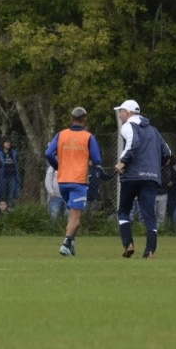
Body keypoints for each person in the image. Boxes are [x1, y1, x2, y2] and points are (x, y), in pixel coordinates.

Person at [113, 99, 171, 259]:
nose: (119, 116)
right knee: (149, 215)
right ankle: (150, 251)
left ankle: (128, 244)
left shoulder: (127, 126)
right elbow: (168, 153)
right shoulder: (154, 130)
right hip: (151, 177)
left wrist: (121, 162)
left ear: (127, 112)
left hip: (131, 176)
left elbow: (133, 143)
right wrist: (155, 167)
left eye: (121, 112)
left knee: (124, 210)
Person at [45, 106, 102, 257]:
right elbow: (97, 160)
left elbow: (48, 153)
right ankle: (65, 244)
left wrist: (57, 166)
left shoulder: (61, 135)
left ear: (71, 119)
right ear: (85, 120)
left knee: (73, 215)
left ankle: (72, 244)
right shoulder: (88, 137)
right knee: (76, 216)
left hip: (62, 181)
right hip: (79, 182)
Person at [0, 137, 21, 206]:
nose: (8, 144)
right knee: (2, 194)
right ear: (3, 143)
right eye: (6, 142)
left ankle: (9, 209)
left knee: (11, 193)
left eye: (9, 142)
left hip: (12, 176)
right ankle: (0, 210)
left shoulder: (13, 153)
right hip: (2, 176)